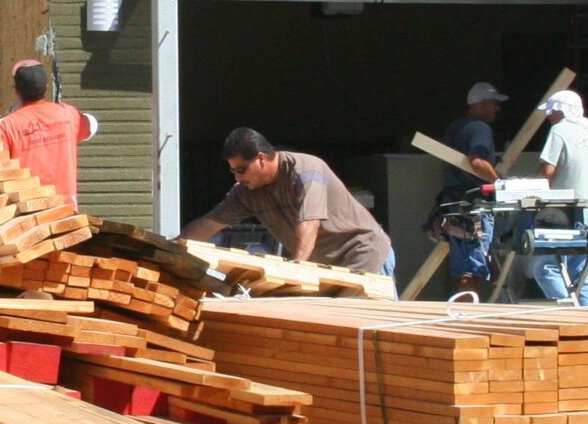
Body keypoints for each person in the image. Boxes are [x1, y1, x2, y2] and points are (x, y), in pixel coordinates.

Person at [182, 128, 393, 277]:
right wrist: (173, 249)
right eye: (232, 171)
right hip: (327, 268)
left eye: (241, 170)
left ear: (261, 159)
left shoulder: (306, 171)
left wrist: (296, 272)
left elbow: (310, 223)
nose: (237, 177)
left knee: (366, 331)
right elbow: (209, 223)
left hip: (363, 254)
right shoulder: (245, 192)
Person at [524, 90, 588, 305]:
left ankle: (569, 313)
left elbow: (547, 171)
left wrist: (527, 192)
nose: (548, 117)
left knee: (546, 269)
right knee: (582, 274)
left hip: (569, 216)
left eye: (550, 112)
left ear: (559, 111)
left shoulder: (559, 130)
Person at [0, 58, 97, 206]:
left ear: (16, 91)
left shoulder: (6, 126)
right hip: (66, 211)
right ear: (46, 87)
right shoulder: (68, 114)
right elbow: (91, 126)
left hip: (29, 213)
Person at [437, 81, 505, 285]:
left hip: (454, 204)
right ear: (482, 104)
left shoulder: (455, 127)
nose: (496, 108)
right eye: (493, 103)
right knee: (473, 270)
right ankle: (465, 314)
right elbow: (477, 161)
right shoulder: (480, 128)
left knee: (467, 269)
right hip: (474, 205)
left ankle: (464, 312)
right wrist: (500, 182)